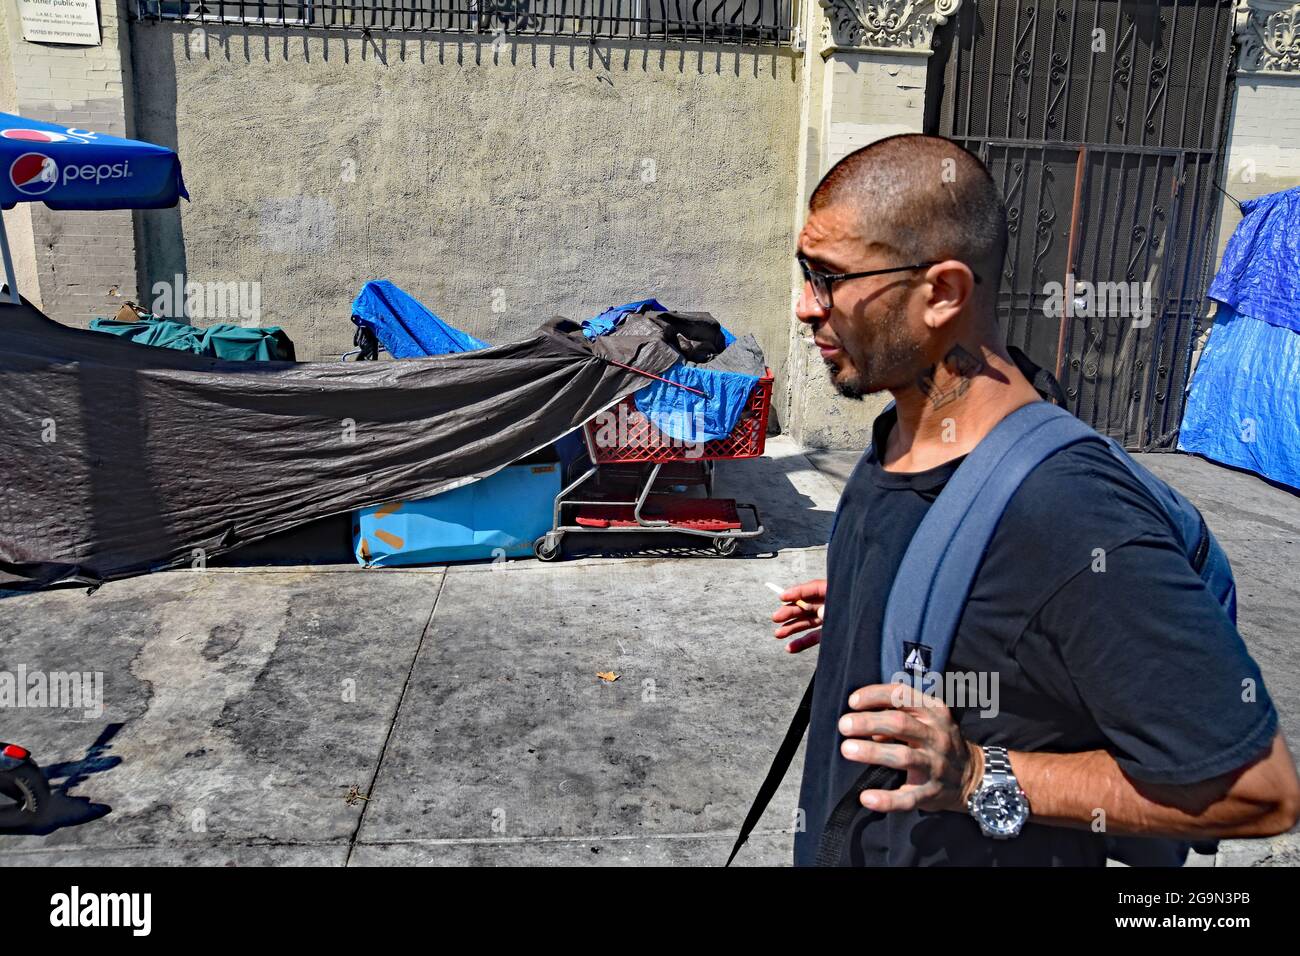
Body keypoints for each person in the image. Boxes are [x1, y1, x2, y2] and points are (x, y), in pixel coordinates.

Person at [773, 133, 1300, 866]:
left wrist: (978, 776)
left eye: (828, 277)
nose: (804, 306)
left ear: (943, 294)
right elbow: (1006, 620)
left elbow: (1255, 789)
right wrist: (883, 598)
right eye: (806, 272)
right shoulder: (898, 435)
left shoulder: (1069, 514)